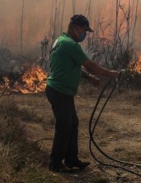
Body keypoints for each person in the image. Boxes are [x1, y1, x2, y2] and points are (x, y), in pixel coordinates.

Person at [46, 14, 120, 172]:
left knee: (72, 124)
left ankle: (71, 159)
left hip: (59, 91)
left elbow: (72, 65)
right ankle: (55, 163)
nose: (84, 35)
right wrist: (110, 73)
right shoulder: (71, 44)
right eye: (84, 31)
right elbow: (90, 64)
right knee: (64, 127)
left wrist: (88, 77)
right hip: (60, 92)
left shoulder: (61, 40)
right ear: (77, 28)